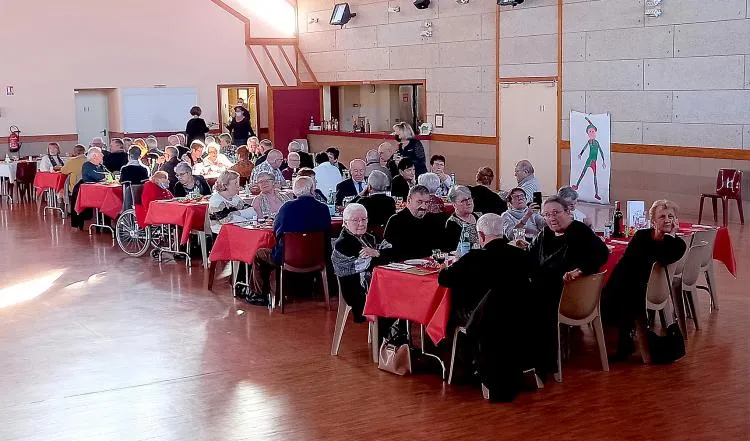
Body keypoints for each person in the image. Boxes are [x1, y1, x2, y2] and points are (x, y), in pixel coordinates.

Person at [438, 213, 535, 401]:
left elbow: (444, 279)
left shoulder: (475, 257)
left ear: (481, 235)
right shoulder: (522, 255)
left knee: (450, 313)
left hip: (485, 317)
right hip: (520, 314)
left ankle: (460, 366)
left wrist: (444, 267)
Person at [529, 196, 609, 380]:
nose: (551, 218)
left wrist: (581, 270)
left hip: (567, 297)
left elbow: (602, 253)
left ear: (568, 212)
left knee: (527, 307)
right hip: (545, 290)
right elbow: (529, 257)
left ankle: (542, 364)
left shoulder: (579, 231)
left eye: (556, 213)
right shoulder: (545, 234)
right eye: (547, 214)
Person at [601, 200, 686, 361]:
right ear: (653, 221)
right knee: (617, 285)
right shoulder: (641, 236)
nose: (667, 220)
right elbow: (628, 261)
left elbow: (664, 257)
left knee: (623, 292)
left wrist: (670, 236)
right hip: (632, 284)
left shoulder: (678, 245)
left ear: (676, 220)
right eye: (662, 216)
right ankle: (623, 339)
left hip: (652, 290)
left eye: (671, 216)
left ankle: (624, 342)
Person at [250, 176, 331, 305]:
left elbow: (276, 231)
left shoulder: (286, 208)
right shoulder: (323, 208)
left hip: (288, 257)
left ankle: (258, 294)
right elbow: (327, 232)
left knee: (260, 254)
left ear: (295, 191)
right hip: (318, 256)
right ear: (312, 189)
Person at [332, 203, 394, 322]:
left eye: (364, 219)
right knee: (397, 297)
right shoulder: (343, 243)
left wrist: (376, 253)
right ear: (345, 223)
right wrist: (380, 255)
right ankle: (389, 332)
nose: (361, 223)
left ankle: (396, 331)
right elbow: (370, 264)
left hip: (375, 286)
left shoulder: (370, 237)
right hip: (358, 293)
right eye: (355, 220)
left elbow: (392, 251)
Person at [383, 185, 444, 262]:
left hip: (429, 264)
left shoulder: (432, 219)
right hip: (404, 265)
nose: (424, 207)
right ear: (409, 200)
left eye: (427, 202)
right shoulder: (396, 221)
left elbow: (441, 246)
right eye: (419, 202)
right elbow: (389, 252)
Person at [572, 116, 606, 201]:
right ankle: (577, 185)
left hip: (594, 161)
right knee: (583, 173)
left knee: (595, 177)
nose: (591, 133)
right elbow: (585, 147)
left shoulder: (597, 143)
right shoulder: (589, 142)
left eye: (592, 131)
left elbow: (601, 151)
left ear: (595, 132)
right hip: (589, 160)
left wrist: (603, 161)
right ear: (587, 133)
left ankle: (596, 193)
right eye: (589, 132)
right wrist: (581, 154)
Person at [444, 185, 481, 251]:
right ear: (454, 205)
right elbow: (455, 251)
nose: (468, 203)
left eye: (469, 198)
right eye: (463, 201)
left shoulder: (480, 216)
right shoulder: (452, 223)